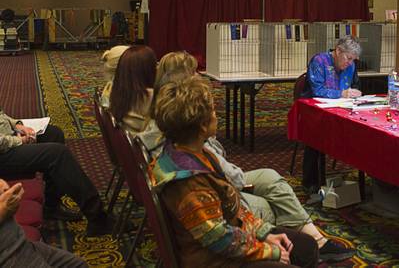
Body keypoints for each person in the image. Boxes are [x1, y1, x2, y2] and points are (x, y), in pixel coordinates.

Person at [151, 51, 355, 263]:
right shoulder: (189, 180)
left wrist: (264, 232)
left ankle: (313, 241)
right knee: (295, 249)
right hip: (217, 259)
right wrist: (269, 250)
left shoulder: (196, 152)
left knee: (305, 246)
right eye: (212, 112)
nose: (216, 115)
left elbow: (235, 208)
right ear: (202, 126)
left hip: (233, 232)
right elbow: (220, 239)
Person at [0, 108, 113, 235]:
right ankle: (97, 217)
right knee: (57, 155)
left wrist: (18, 125)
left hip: (7, 139)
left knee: (54, 134)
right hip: (3, 153)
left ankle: (51, 206)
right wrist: (18, 141)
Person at [301, 36, 362, 193]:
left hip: (340, 109)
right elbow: (317, 91)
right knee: (315, 138)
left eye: (353, 59)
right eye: (348, 58)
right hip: (314, 110)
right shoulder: (319, 61)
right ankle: (311, 183)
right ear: (338, 50)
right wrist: (342, 93)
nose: (350, 63)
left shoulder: (351, 66)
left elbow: (353, 87)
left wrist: (354, 93)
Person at [0, 178, 87, 267]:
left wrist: (2, 186)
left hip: (21, 242)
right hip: (8, 255)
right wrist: (3, 209)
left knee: (78, 265)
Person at [109, 45, 161, 151]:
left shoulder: (115, 91)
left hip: (130, 148)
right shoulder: (150, 96)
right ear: (148, 69)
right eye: (155, 64)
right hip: (149, 148)